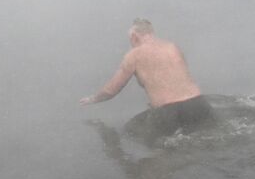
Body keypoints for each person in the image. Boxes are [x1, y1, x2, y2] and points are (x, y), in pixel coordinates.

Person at [80, 19, 215, 140]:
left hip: (168, 112)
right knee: (204, 140)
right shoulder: (172, 47)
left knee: (161, 149)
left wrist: (93, 99)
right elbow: (181, 75)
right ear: (151, 33)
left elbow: (112, 89)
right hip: (198, 104)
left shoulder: (134, 55)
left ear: (134, 36)